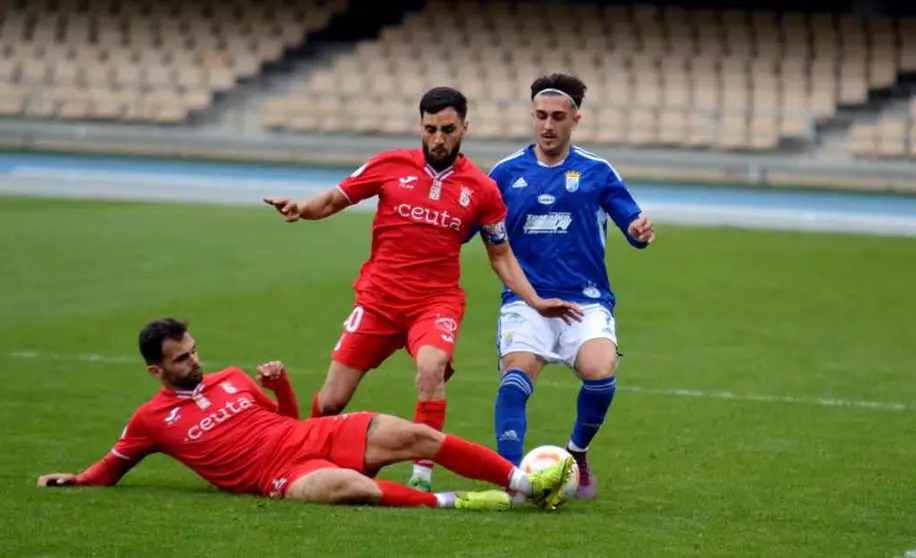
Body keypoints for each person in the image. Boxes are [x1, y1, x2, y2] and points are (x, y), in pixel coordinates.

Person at [262, 86, 582, 492]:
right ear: (420, 126)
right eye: (430, 128)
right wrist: (301, 209)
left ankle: (421, 473)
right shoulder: (390, 164)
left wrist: (534, 300)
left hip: (435, 303)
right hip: (377, 300)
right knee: (330, 402)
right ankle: (312, 458)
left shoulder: (482, 189)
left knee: (432, 369)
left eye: (448, 129)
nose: (437, 138)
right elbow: (334, 200)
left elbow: (500, 255)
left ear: (464, 127)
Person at [37, 318, 575, 512]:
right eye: (182, 359)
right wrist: (79, 479)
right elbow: (111, 468)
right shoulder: (149, 421)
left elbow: (287, 419)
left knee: (414, 434)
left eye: (195, 349)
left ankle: (520, 482)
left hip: (306, 435)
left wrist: (283, 386)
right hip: (276, 475)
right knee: (353, 489)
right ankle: (458, 502)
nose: (195, 361)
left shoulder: (231, 379)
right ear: (157, 371)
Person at [480, 73, 655, 500]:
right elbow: (467, 226)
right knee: (514, 381)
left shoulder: (596, 171)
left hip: (585, 298)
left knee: (600, 373)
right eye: (540, 115)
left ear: (575, 119)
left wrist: (638, 228)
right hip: (527, 300)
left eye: (558, 117)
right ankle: (510, 478)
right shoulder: (505, 173)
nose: (547, 125)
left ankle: (575, 454)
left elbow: (629, 219)